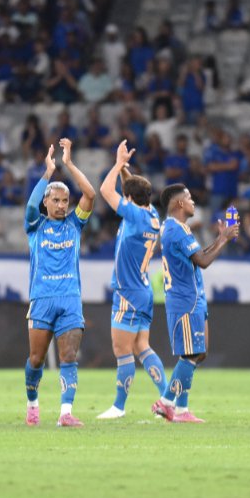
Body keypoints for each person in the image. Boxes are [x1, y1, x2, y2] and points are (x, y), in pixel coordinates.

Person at [150, 183, 241, 424]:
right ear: (179, 203)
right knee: (193, 353)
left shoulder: (179, 228)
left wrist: (221, 238)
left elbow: (197, 254)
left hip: (193, 297)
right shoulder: (175, 230)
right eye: (189, 198)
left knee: (199, 354)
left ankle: (181, 409)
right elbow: (202, 261)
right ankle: (167, 403)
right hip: (185, 299)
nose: (193, 202)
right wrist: (223, 241)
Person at [23, 138, 96, 427]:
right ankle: (32, 403)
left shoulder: (75, 224)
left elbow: (90, 194)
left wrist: (69, 164)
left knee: (68, 356)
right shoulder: (35, 225)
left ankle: (65, 413)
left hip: (69, 298)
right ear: (46, 202)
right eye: (56, 200)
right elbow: (30, 205)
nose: (62, 205)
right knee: (36, 359)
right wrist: (48, 173)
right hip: (41, 298)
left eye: (65, 201)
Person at [95, 141, 169, 420]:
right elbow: (133, 190)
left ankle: (118, 406)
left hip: (127, 291)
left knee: (121, 350)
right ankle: (166, 397)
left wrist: (115, 166)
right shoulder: (151, 214)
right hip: (144, 291)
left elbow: (105, 190)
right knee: (142, 346)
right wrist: (125, 168)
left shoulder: (134, 215)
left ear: (129, 198)